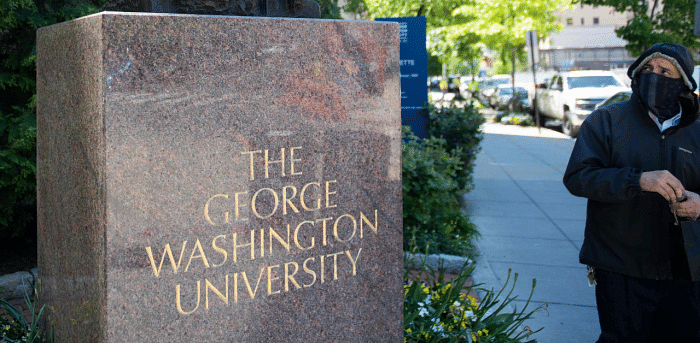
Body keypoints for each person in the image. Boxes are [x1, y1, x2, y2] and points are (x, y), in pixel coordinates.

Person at [563, 42, 700, 342]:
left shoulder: (697, 129)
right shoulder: (607, 120)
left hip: (686, 270)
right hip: (621, 266)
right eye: (647, 69)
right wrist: (638, 180)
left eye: (665, 71)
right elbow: (578, 177)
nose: (655, 76)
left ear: (684, 84)